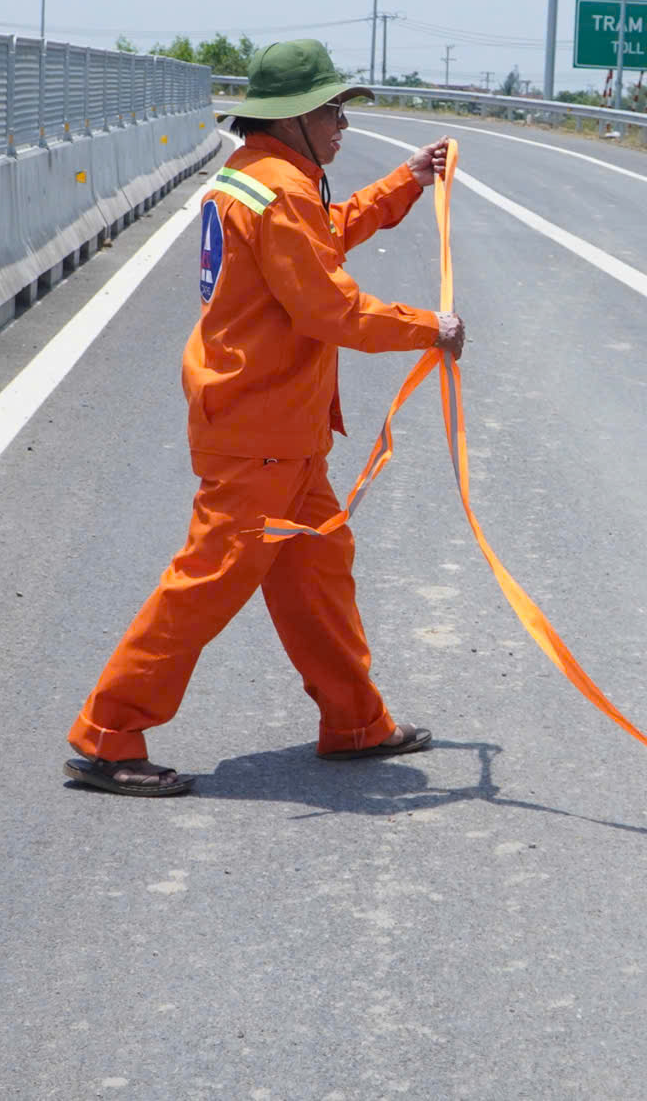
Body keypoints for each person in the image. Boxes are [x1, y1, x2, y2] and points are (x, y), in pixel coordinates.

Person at [63, 39, 464, 796]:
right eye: (331, 111)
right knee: (206, 584)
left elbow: (321, 243)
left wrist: (404, 183)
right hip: (261, 437)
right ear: (294, 119)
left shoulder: (258, 179)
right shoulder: (279, 192)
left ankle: (354, 721)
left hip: (283, 434)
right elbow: (330, 307)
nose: (342, 124)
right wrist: (430, 329)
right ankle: (109, 734)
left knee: (318, 573)